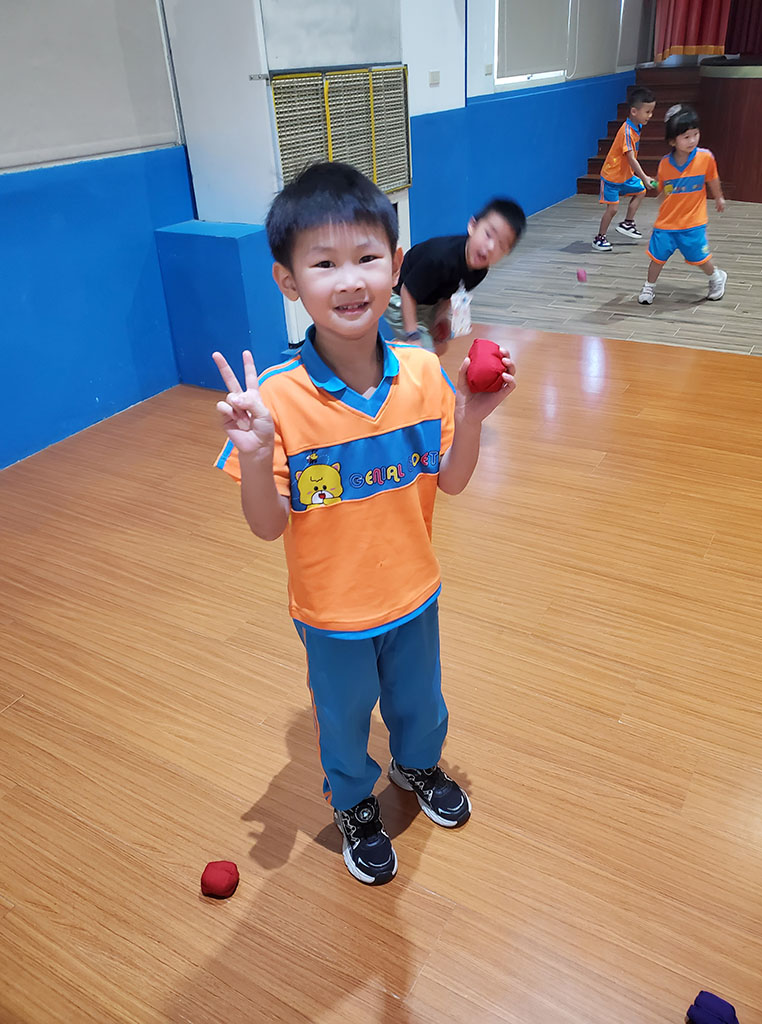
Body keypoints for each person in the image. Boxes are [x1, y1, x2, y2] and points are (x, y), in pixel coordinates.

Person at [212, 162, 517, 886]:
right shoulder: (276, 399)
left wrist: (472, 418)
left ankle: (417, 766)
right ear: (288, 280)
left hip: (414, 590)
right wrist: (254, 456)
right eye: (323, 264)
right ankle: (353, 803)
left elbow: (452, 480)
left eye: (367, 258)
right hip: (331, 611)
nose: (349, 280)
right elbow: (266, 526)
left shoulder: (422, 375)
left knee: (420, 701)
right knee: (344, 720)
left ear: (396, 264)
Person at [384, 198, 526, 355]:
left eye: (501, 245)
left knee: (439, 342)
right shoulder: (439, 258)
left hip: (426, 300)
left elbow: (451, 290)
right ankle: (397, 355)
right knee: (423, 352)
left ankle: (405, 351)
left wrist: (441, 316)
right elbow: (407, 291)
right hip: (399, 296)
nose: (491, 247)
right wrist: (412, 335)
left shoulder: (479, 272)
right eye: (488, 234)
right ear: (472, 226)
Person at [638, 104, 726, 305]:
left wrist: (719, 197)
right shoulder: (664, 163)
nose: (692, 140)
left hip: (693, 222)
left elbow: (712, 178)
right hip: (666, 223)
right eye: (686, 137)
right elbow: (665, 188)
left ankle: (716, 277)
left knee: (699, 258)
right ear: (672, 141)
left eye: (696, 134)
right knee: (657, 257)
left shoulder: (705, 158)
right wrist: (657, 188)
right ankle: (649, 287)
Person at [592, 86, 656, 252]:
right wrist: (644, 177)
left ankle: (627, 223)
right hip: (612, 177)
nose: (650, 115)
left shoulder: (636, 127)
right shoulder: (626, 131)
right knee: (612, 209)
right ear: (634, 111)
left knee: (640, 191)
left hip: (625, 175)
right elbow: (631, 158)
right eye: (647, 112)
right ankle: (600, 238)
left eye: (651, 111)